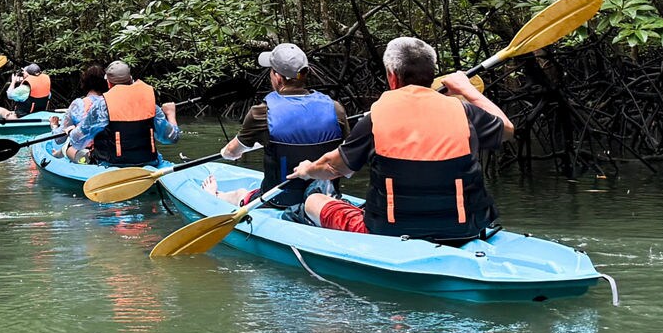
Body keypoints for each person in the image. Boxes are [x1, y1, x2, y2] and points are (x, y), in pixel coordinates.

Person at [290, 36, 512, 242]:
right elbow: (508, 129)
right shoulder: (465, 112)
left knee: (314, 201)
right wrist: (467, 89)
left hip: (390, 232)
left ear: (392, 76)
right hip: (467, 229)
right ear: (432, 74)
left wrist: (307, 170)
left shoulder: (375, 118)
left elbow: (331, 167)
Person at [203, 43, 352, 214]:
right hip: (326, 199)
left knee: (240, 194)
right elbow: (347, 161)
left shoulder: (261, 113)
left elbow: (231, 152)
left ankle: (213, 195)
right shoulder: (336, 109)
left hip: (276, 201)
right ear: (305, 74)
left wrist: (228, 153)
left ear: (277, 77)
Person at [64, 60, 178, 164]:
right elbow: (171, 138)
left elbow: (78, 142)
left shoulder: (101, 106)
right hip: (148, 161)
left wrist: (71, 132)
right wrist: (170, 115)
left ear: (108, 83)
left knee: (71, 147)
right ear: (131, 79)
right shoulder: (150, 104)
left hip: (111, 164)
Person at [50, 64, 108, 134]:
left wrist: (54, 125)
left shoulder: (78, 105)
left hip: (86, 143)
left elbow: (59, 138)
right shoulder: (110, 103)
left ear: (85, 82)